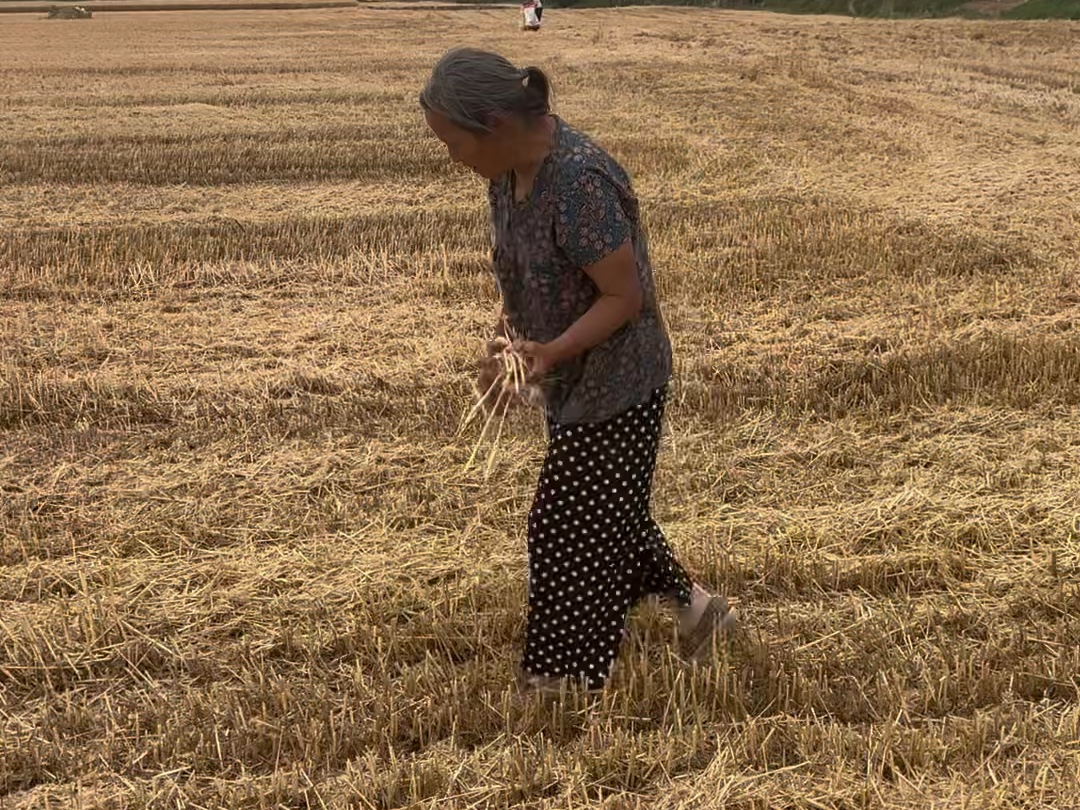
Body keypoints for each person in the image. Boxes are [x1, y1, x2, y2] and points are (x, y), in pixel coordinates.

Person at [419, 47, 736, 695]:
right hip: (569, 383)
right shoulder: (506, 174)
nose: (451, 156)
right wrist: (506, 343)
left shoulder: (580, 183)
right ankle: (701, 614)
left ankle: (568, 678)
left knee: (565, 529)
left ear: (494, 125)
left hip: (621, 382)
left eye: (454, 142)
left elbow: (625, 299)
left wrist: (549, 352)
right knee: (609, 513)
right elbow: (523, 273)